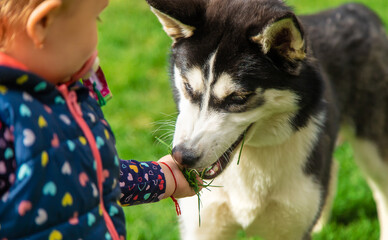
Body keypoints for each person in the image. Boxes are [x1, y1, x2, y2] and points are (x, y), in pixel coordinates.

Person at [0, 0, 197, 239]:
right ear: (43, 23)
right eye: (96, 19)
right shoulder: (6, 119)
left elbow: (93, 175)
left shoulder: (65, 95)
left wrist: (164, 177)